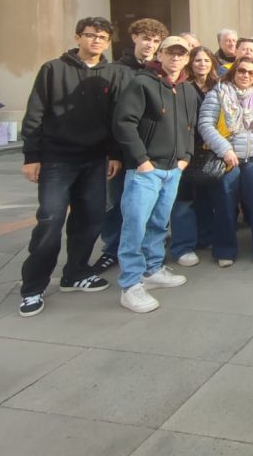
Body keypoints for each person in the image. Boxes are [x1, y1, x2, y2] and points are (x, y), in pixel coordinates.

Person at [18, 17, 125, 317]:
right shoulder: (53, 69)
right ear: (78, 37)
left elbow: (115, 118)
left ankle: (75, 273)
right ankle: (33, 287)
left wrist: (115, 154)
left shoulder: (112, 73)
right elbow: (35, 113)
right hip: (57, 158)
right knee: (50, 221)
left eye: (102, 37)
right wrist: (31, 156)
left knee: (90, 218)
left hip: (94, 160)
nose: (96, 41)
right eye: (91, 35)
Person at [112, 36, 198, 313]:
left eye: (181, 54)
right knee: (135, 226)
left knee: (159, 223)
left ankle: (152, 269)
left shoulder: (186, 89)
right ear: (160, 55)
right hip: (146, 170)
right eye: (170, 53)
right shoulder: (142, 83)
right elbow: (124, 123)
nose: (175, 58)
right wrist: (141, 160)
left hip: (173, 169)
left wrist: (186, 157)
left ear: (187, 59)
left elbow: (190, 126)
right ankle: (130, 284)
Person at [95, 17, 169, 275]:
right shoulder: (117, 70)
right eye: (146, 38)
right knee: (117, 204)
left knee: (150, 209)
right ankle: (112, 249)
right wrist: (114, 153)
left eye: (155, 40)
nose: (150, 44)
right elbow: (111, 116)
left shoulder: (159, 72)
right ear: (134, 38)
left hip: (152, 152)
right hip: (123, 153)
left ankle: (149, 253)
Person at [198, 57, 253, 267]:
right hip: (226, 159)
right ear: (233, 72)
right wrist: (225, 150)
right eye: (242, 71)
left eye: (251, 73)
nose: (246, 76)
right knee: (225, 204)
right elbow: (205, 125)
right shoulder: (218, 93)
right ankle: (224, 250)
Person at [169, 46, 218, 266]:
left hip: (212, 151)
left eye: (206, 60)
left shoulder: (218, 87)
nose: (202, 64)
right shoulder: (182, 87)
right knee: (184, 200)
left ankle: (205, 237)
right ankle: (182, 246)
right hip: (187, 150)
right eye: (198, 60)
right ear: (190, 63)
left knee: (207, 197)